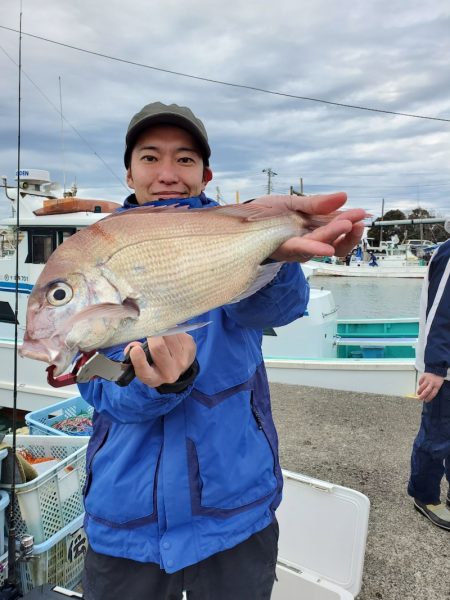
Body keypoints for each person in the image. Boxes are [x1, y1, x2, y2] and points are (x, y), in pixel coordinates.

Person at [79, 101, 365, 600]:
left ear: (206, 174)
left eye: (185, 159)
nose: (168, 174)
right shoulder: (92, 253)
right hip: (124, 519)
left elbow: (277, 311)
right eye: (150, 157)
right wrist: (158, 386)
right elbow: (96, 384)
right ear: (129, 170)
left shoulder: (232, 233)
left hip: (235, 510)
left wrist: (272, 256)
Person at [408, 233, 450, 530]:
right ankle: (424, 495)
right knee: (436, 436)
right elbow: (441, 312)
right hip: (444, 372)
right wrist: (435, 367)